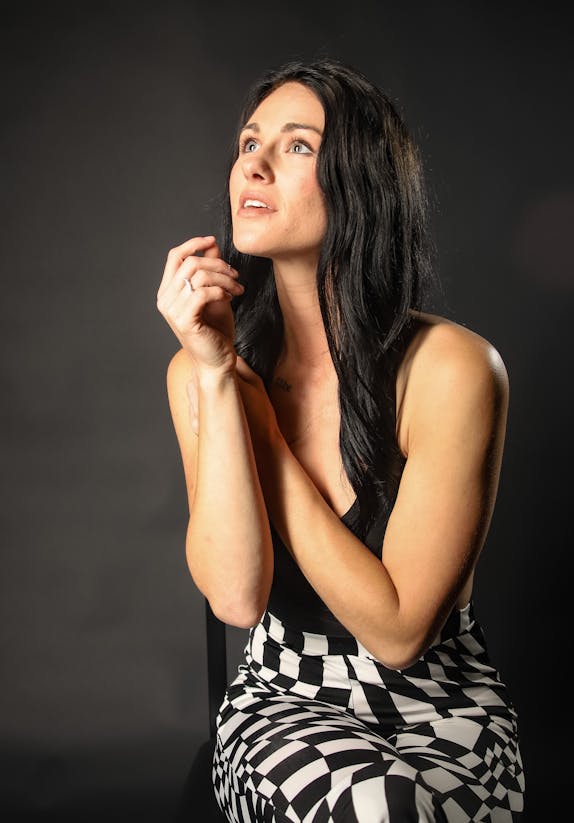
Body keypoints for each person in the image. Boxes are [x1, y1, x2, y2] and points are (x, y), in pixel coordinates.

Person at [156, 56, 524, 822]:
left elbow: (397, 632)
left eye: (295, 146)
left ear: (361, 184)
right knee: (375, 805)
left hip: (442, 706)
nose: (252, 162)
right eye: (248, 141)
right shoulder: (200, 374)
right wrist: (222, 380)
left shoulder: (451, 370)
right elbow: (235, 593)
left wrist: (260, 425)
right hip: (282, 696)